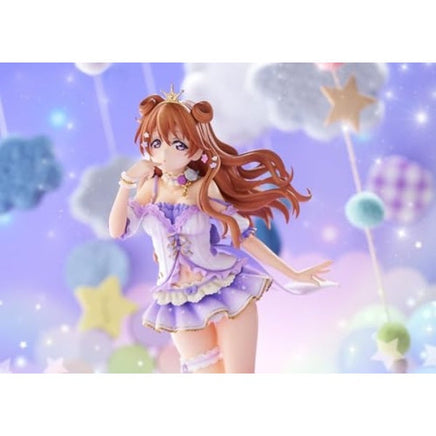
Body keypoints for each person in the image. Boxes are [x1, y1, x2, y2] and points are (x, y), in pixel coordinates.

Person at [108, 85, 333, 373]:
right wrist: (127, 182)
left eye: (178, 144)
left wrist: (293, 273)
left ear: (194, 149)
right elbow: (118, 230)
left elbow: (244, 237)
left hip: (225, 288)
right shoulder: (149, 189)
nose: (164, 153)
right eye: (155, 142)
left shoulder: (204, 187)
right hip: (178, 302)